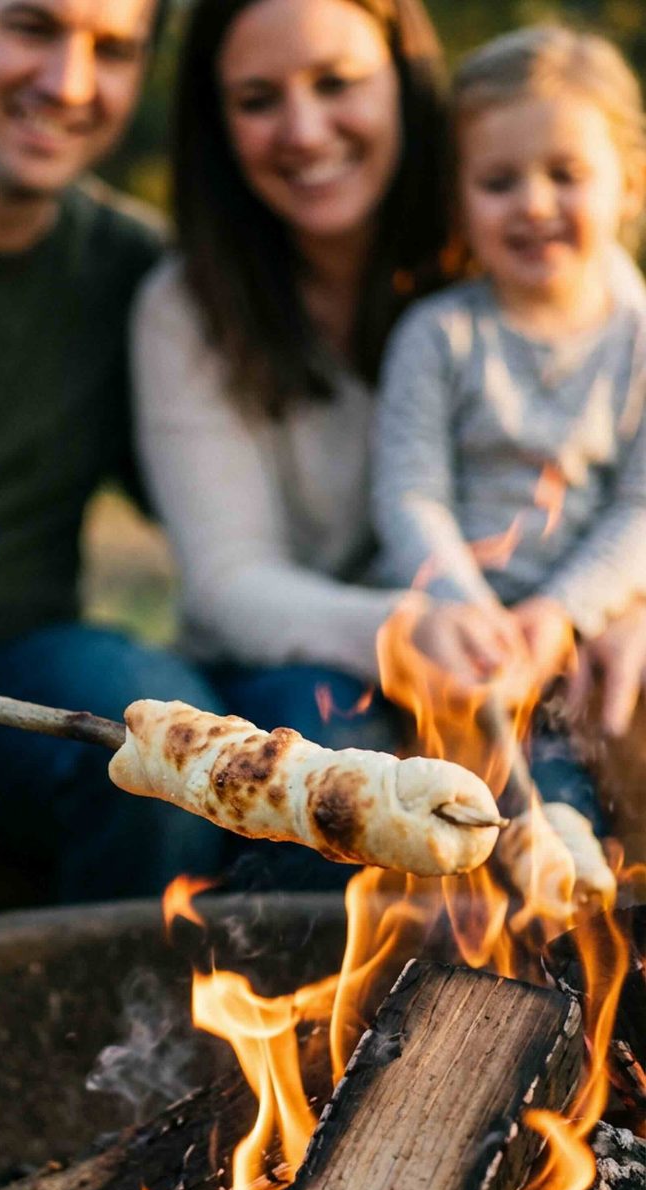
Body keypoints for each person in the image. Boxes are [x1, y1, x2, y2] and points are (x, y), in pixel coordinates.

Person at [0, 0, 227, 903]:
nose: (69, 82)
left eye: (113, 50)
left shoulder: (133, 272)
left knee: (159, 735)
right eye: (33, 28)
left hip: (12, 678)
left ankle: (133, 1001)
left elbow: (224, 501)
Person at [131, 0, 450, 883]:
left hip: (500, 655)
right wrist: (409, 634)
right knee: (327, 750)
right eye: (258, 99)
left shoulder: (513, 242)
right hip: (281, 670)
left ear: (406, 82)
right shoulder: (185, 310)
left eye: (338, 82)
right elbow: (229, 581)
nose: (303, 131)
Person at [372, 25, 646, 816]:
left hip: (588, 636)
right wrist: (467, 608)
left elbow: (639, 508)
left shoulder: (637, 341)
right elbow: (409, 492)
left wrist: (564, 612)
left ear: (629, 184)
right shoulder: (439, 336)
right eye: (499, 181)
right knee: (516, 813)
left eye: (566, 175)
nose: (533, 203)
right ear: (459, 202)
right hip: (459, 646)